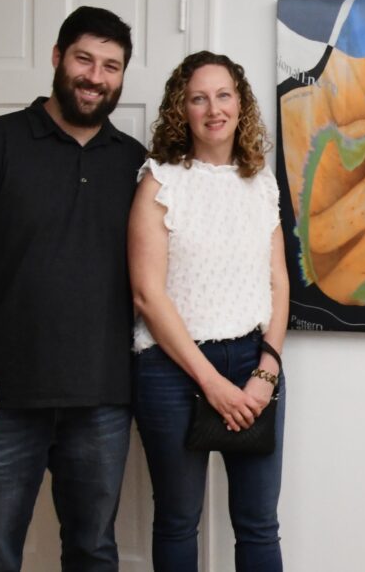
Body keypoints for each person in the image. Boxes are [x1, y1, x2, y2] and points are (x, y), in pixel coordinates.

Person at [0, 6, 145, 571]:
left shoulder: (137, 164)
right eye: (84, 59)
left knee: (93, 552)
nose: (95, 76)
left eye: (111, 66)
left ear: (123, 77)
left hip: (101, 398)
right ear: (57, 57)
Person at [129, 50, 289, 571]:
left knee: (259, 524)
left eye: (224, 95)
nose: (213, 109)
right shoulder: (159, 181)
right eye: (199, 98)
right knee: (178, 520)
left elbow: (278, 282)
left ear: (240, 105)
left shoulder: (260, 181)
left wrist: (266, 370)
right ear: (183, 110)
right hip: (171, 371)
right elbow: (148, 295)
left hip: (253, 362)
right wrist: (211, 383)